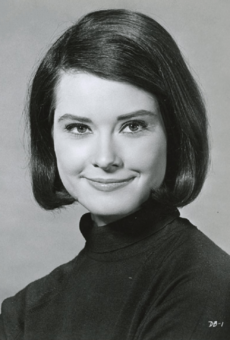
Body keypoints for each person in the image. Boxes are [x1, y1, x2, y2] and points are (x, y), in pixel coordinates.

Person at [0, 9, 229, 340]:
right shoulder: (23, 312)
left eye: (133, 126)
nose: (105, 158)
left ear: (173, 133)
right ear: (49, 139)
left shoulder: (209, 283)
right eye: (79, 127)